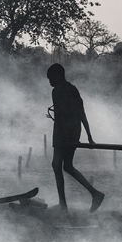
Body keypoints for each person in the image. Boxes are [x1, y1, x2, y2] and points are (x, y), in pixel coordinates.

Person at [47, 63, 104, 213]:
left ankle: (63, 205)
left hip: (62, 133)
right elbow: (81, 113)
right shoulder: (73, 89)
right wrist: (89, 136)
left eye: (51, 78)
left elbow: (59, 116)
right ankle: (94, 193)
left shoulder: (57, 91)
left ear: (58, 76)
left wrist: (62, 137)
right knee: (67, 166)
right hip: (74, 131)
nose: (49, 82)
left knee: (57, 165)